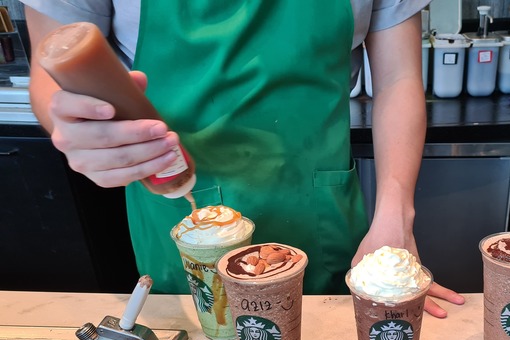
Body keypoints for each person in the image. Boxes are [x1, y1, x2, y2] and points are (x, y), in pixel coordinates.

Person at [23, 1, 465, 317]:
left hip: (319, 210)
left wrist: (395, 216)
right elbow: (51, 66)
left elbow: (398, 78)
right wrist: (78, 127)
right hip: (179, 207)